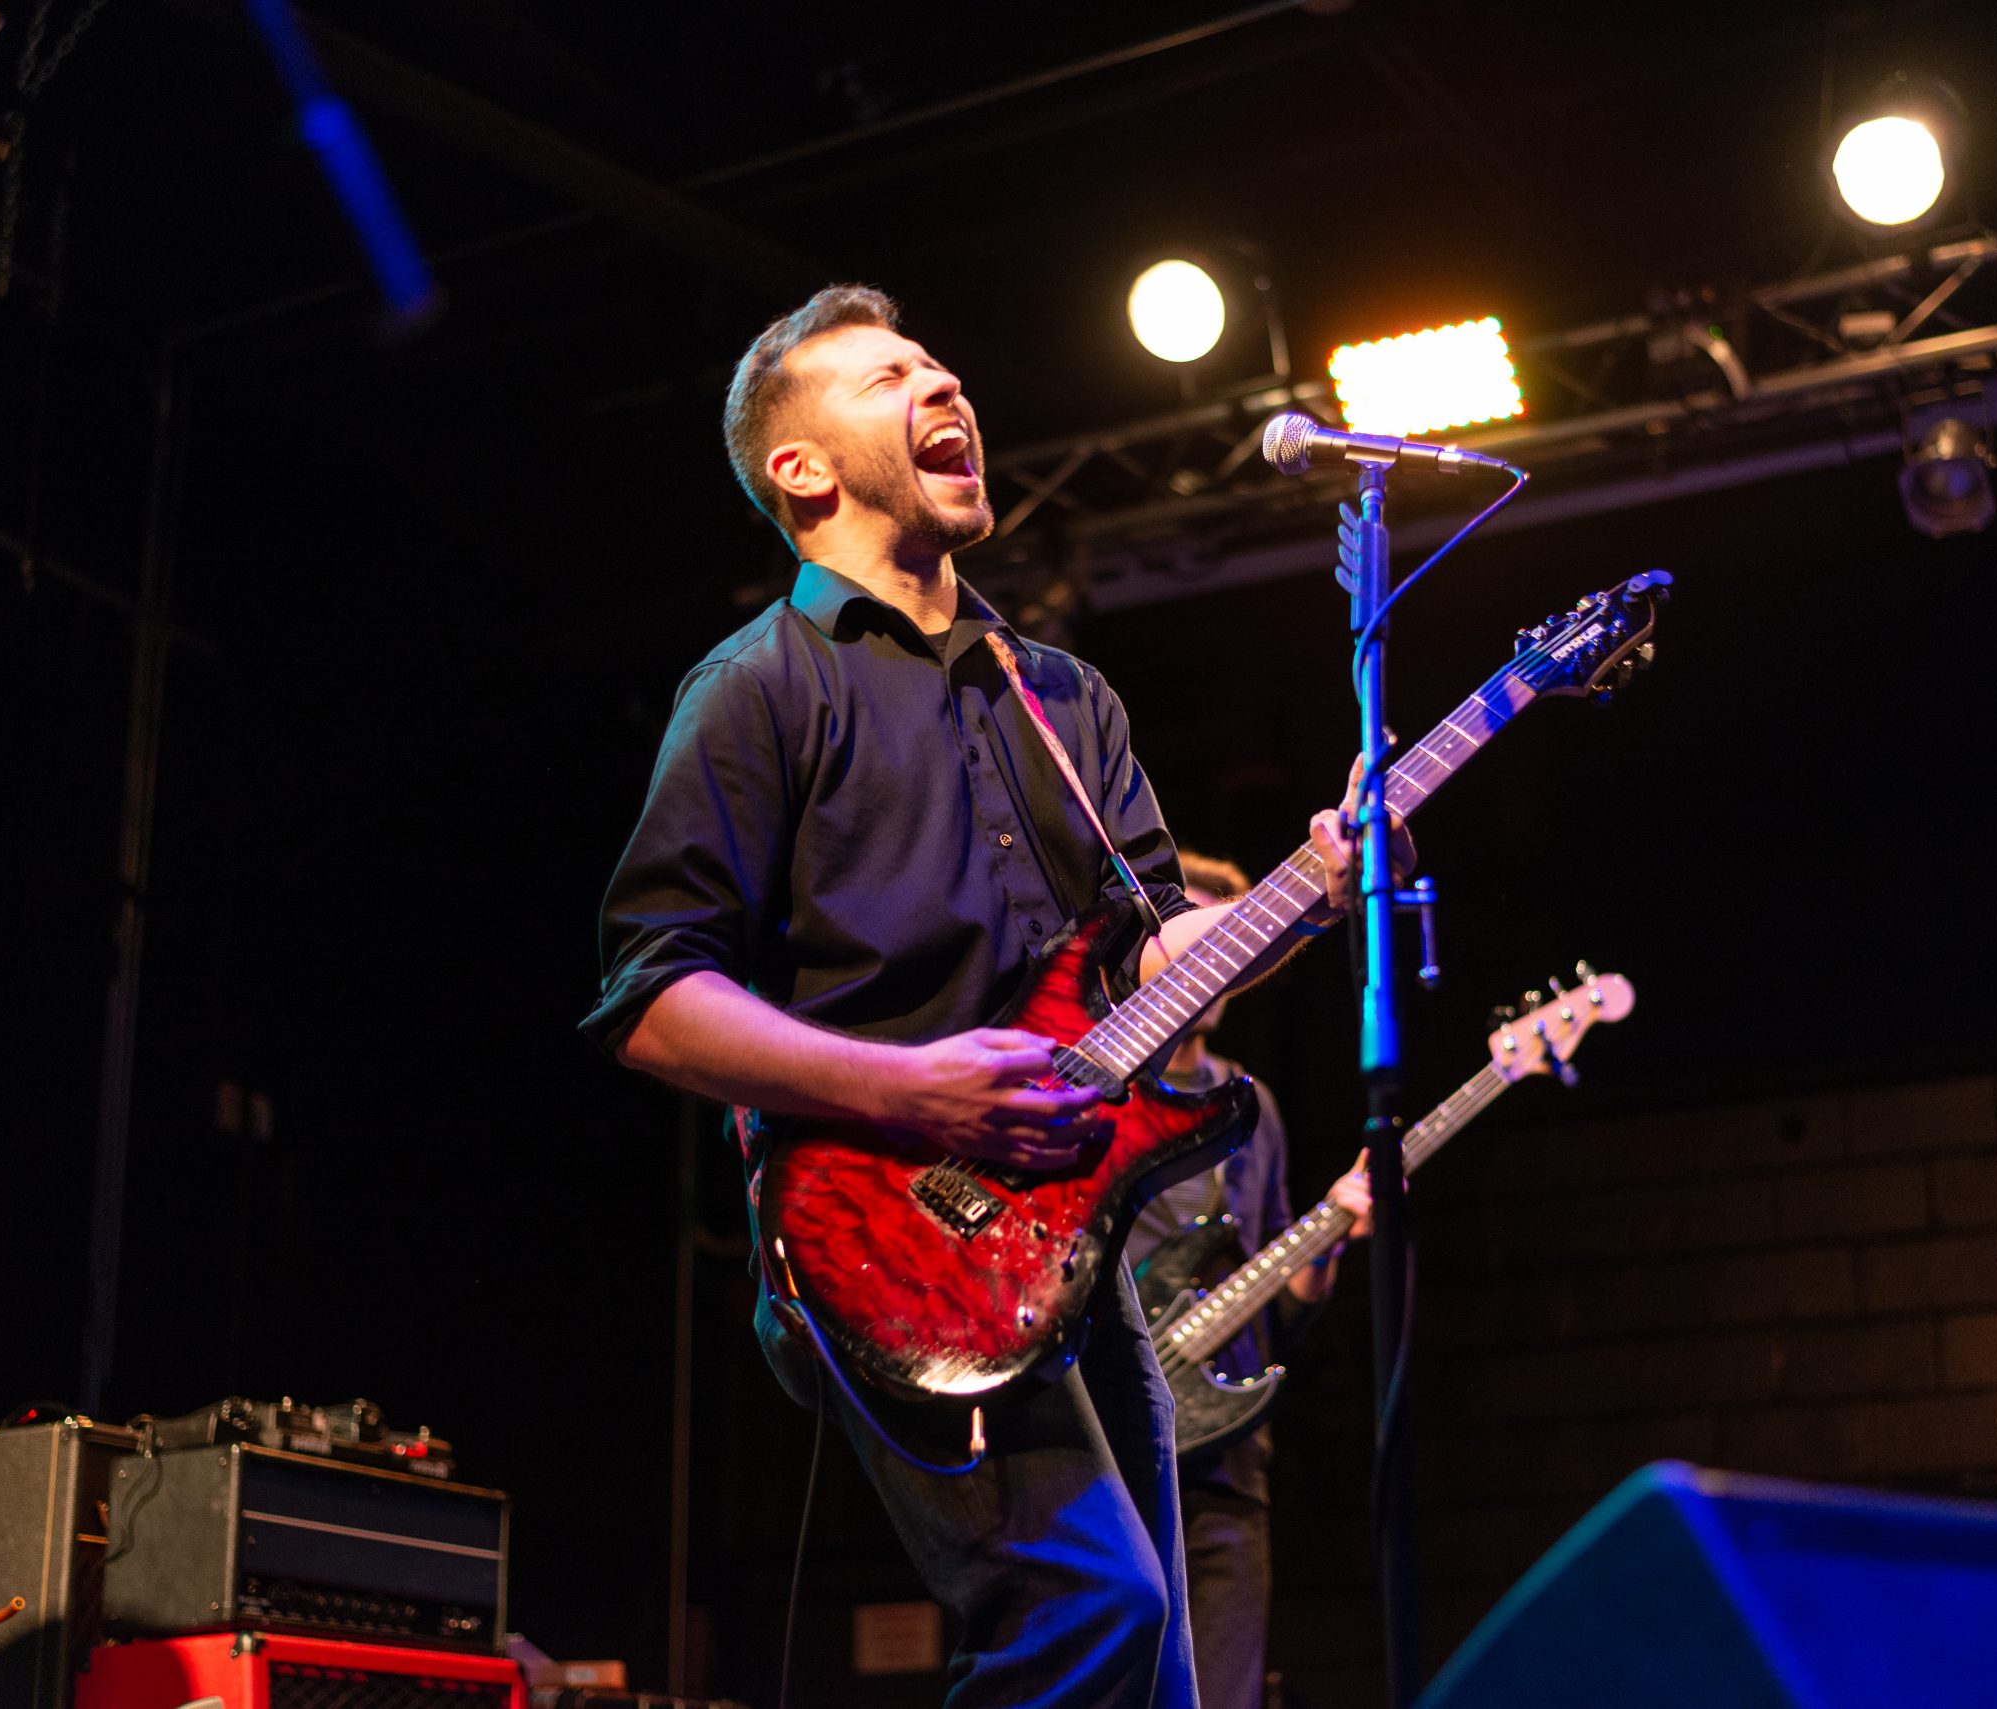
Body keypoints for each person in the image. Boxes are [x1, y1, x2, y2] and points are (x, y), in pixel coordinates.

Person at [580, 284, 1409, 1709]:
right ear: (803, 469)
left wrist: (1314, 885)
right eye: (890, 374)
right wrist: (905, 1086)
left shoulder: (1062, 695)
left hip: (1068, 1234)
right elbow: (652, 1002)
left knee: (1160, 1664)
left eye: (942, 362)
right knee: (1087, 1611)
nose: (943, 380)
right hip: (883, 1241)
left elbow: (1157, 955)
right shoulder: (759, 689)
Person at [1124, 851, 1371, 1709]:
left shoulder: (1249, 1106)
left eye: (1234, 942)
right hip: (1116, 1449)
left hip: (1229, 1460)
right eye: (1198, 936)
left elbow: (1287, 1308)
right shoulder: (1104, 1089)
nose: (1215, 961)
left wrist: (1332, 1235)